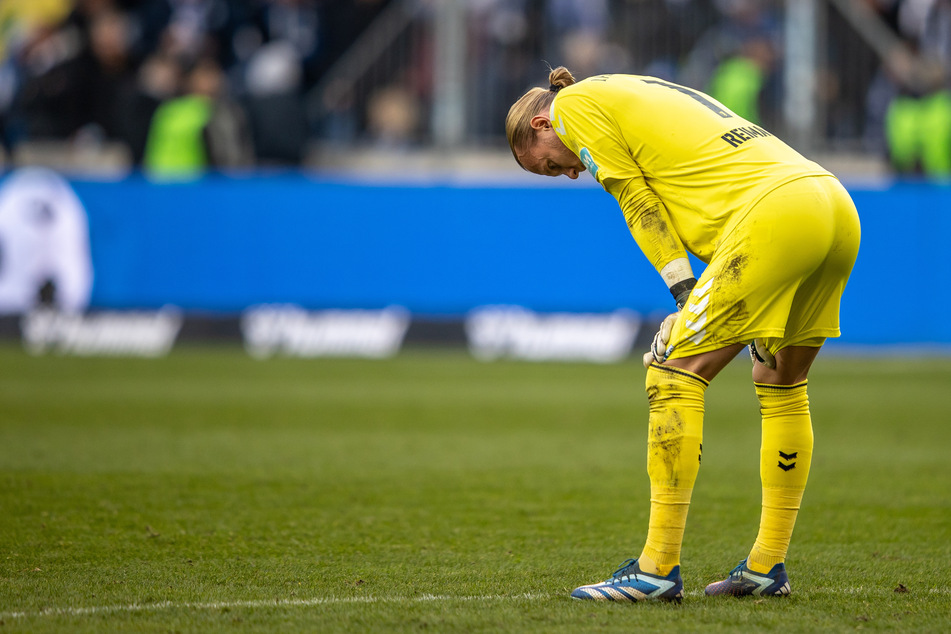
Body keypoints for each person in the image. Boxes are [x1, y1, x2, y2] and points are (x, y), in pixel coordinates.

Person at [505, 67, 860, 602]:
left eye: (553, 165)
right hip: (829, 201)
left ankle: (655, 571)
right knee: (781, 379)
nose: (572, 173)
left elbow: (639, 203)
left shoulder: (572, 106)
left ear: (541, 123)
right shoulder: (630, 90)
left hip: (776, 213)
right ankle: (766, 567)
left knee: (673, 371)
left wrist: (683, 293)